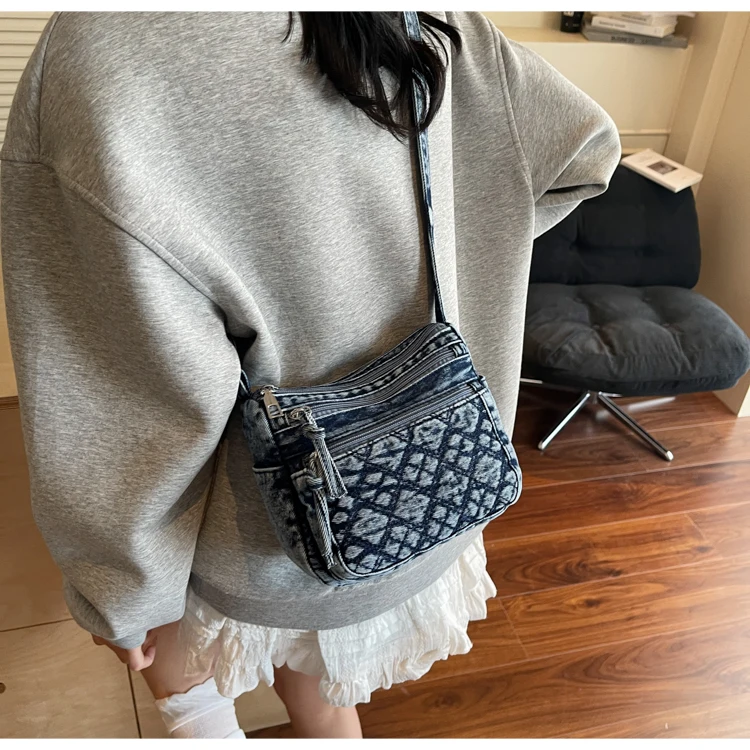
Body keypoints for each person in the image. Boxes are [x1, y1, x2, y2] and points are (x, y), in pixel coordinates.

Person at [1, 11, 620, 739]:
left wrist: (122, 592)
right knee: (327, 709)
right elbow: (586, 149)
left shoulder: (106, 50)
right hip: (431, 492)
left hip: (251, 539)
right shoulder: (424, 19)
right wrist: (465, 258)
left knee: (190, 703)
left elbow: (122, 393)